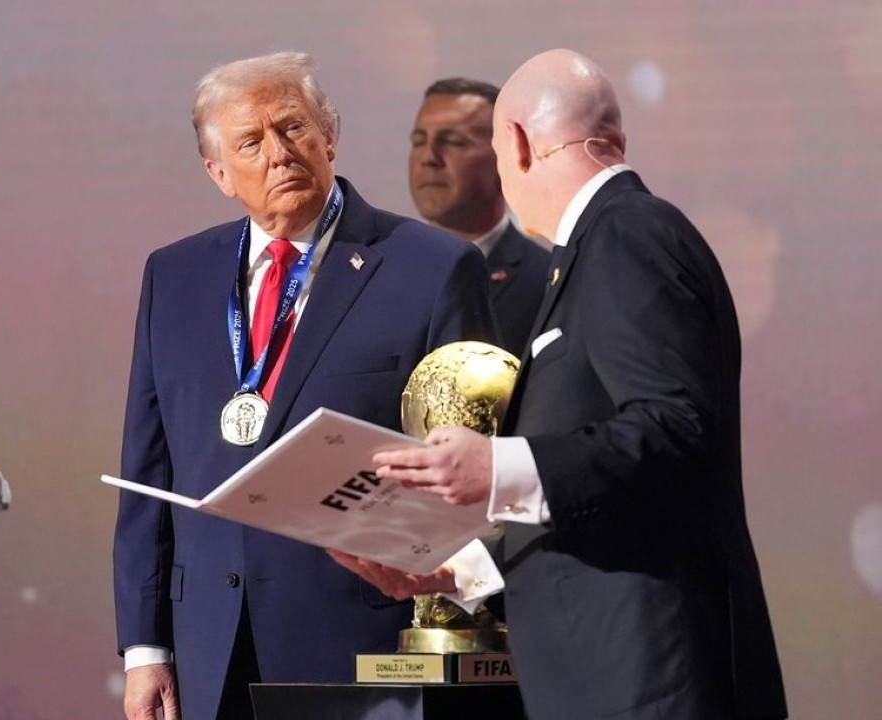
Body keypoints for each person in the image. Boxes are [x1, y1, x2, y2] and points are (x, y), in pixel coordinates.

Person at [331, 50, 788, 719]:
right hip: (607, 679)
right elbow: (606, 497)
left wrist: (497, 465)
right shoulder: (597, 245)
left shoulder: (627, 231)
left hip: (645, 682)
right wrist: (459, 572)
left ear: (516, 143)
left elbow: (676, 429)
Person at [114, 51, 495, 720]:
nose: (279, 153)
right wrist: (146, 648)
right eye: (250, 142)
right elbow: (148, 472)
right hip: (207, 647)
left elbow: (475, 468)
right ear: (218, 173)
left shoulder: (433, 268)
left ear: (330, 135)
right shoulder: (173, 276)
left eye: (292, 127)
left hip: (359, 645)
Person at [409, 77, 551, 354]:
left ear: (506, 157)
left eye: (453, 142)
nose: (428, 157)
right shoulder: (384, 272)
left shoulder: (545, 283)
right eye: (418, 141)